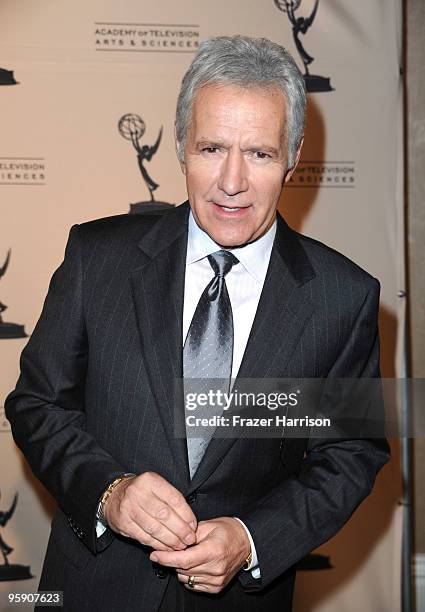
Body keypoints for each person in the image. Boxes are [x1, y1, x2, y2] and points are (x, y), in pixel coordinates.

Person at [5, 35, 389, 611]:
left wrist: (255, 538)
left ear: (294, 154)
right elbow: (37, 405)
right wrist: (109, 493)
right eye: (212, 148)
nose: (231, 182)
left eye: (259, 153)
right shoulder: (97, 258)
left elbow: (352, 454)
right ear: (181, 144)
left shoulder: (344, 298)